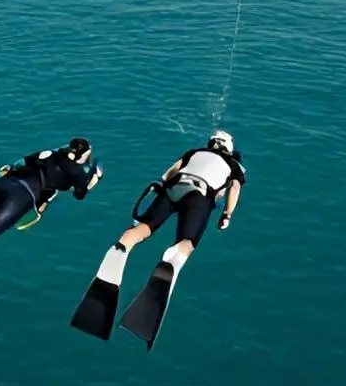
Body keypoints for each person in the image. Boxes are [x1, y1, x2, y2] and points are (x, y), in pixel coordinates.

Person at [70, 130, 244, 348]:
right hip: (199, 194)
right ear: (228, 148)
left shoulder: (194, 152)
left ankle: (124, 244)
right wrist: (227, 214)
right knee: (186, 243)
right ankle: (173, 258)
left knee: (142, 229)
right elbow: (235, 188)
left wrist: (163, 186)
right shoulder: (234, 165)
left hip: (173, 188)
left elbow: (170, 172)